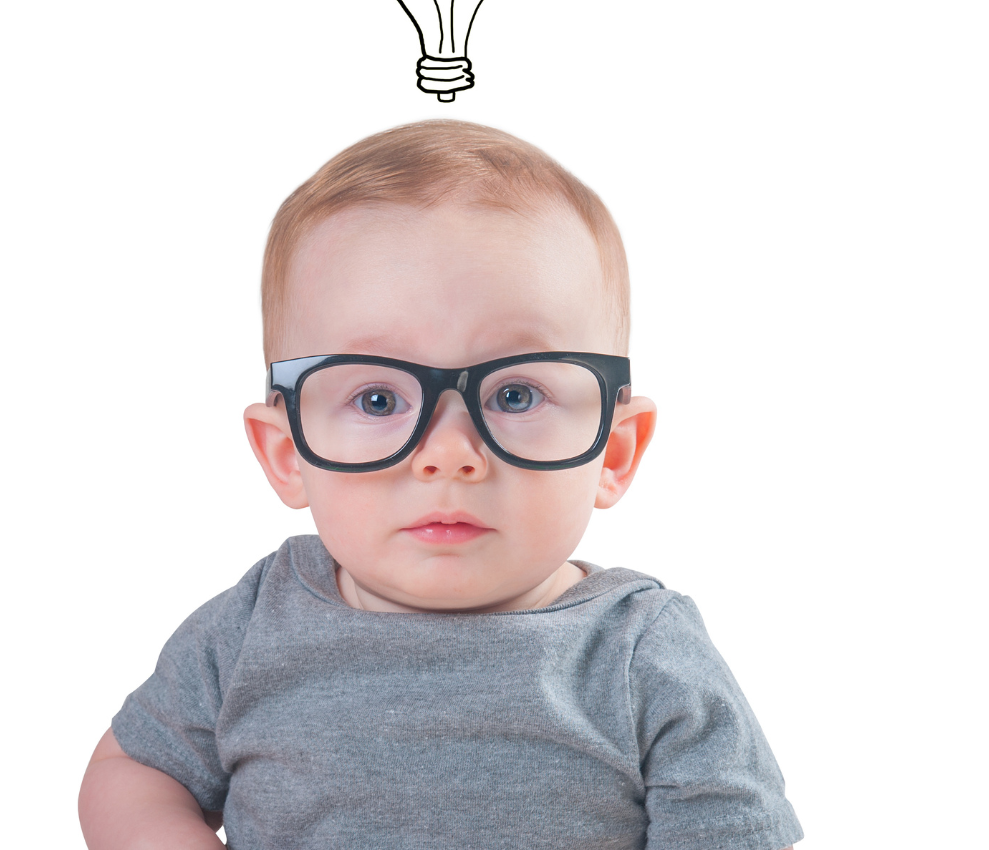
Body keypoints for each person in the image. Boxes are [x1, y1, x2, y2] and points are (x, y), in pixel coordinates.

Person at [79, 120, 803, 850]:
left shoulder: (639, 654)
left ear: (613, 451)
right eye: (377, 400)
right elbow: (134, 772)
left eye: (516, 395)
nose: (449, 455)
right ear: (287, 451)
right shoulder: (248, 630)